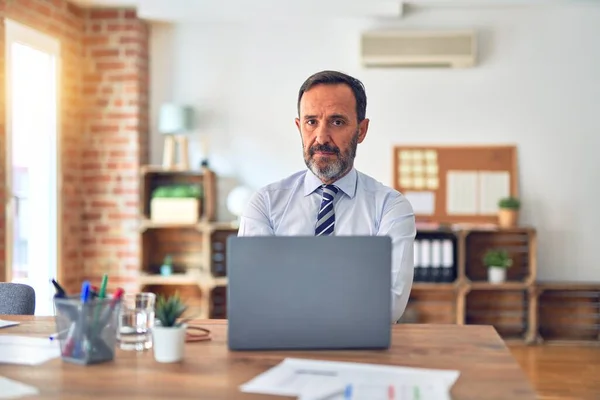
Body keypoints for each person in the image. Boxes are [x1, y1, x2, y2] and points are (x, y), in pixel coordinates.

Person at [237, 70, 416, 323]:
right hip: (280, 350)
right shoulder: (266, 204)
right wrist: (355, 291)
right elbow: (254, 297)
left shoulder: (390, 207)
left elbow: (389, 305)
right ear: (299, 127)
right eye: (311, 122)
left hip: (361, 353)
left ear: (361, 131)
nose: (321, 137)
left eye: (337, 122)